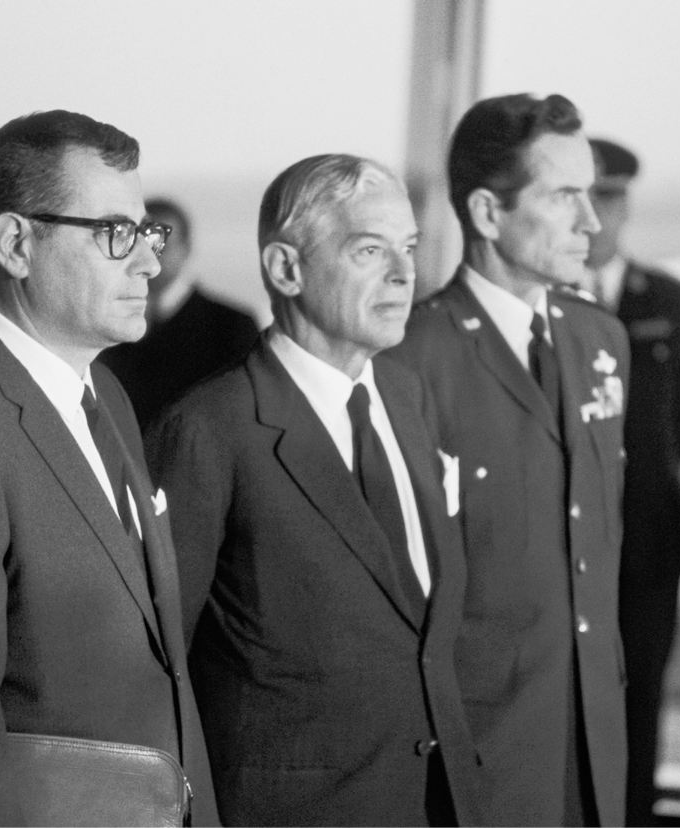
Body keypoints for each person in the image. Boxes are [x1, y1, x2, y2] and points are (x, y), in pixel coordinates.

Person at [0, 110, 218, 826]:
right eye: (116, 233)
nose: (149, 261)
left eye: (147, 233)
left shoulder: (105, 394)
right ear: (17, 243)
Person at [145, 154, 479, 826]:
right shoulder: (209, 429)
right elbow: (153, 664)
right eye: (369, 249)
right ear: (285, 269)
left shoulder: (407, 400)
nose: (404, 274)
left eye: (409, 249)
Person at [387, 93, 629, 826]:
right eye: (564, 197)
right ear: (489, 214)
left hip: (592, 741)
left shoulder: (600, 342)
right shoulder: (410, 359)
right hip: (480, 750)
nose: (591, 222)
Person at [587, 138, 680, 826]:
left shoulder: (669, 301)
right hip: (552, 551)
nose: (599, 213)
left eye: (611, 196)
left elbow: (677, 427)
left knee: (637, 716)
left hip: (645, 550)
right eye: (587, 196)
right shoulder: (540, 303)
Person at [98, 197, 259, 428]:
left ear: (187, 248)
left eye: (161, 242)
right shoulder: (111, 322)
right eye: (137, 243)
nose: (148, 255)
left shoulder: (231, 326)